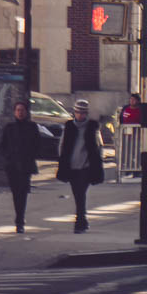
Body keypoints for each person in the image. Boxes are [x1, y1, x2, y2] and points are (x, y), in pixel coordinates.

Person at [56, 99, 106, 232]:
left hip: (86, 166)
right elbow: (62, 145)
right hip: (72, 166)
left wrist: (98, 161)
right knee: (78, 193)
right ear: (74, 112)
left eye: (83, 113)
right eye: (78, 112)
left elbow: (99, 145)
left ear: (86, 114)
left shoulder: (92, 127)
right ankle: (82, 220)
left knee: (80, 193)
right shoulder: (69, 127)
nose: (80, 115)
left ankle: (79, 221)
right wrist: (62, 160)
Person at [0, 100, 39, 232]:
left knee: (23, 192)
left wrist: (30, 155)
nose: (20, 113)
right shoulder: (9, 128)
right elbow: (2, 145)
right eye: (18, 110)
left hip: (26, 165)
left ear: (26, 112)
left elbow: (37, 145)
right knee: (16, 193)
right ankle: (19, 217)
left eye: (22, 110)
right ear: (14, 112)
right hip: (12, 166)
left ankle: (20, 220)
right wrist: (8, 157)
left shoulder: (32, 127)